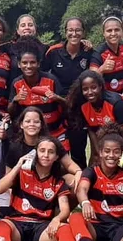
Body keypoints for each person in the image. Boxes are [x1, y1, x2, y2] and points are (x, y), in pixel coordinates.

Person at [0, 136, 73, 241]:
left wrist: (57, 219)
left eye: (51, 152)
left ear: (56, 157)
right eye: (42, 151)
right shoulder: (23, 173)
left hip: (41, 227)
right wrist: (18, 166)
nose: (46, 155)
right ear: (36, 153)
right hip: (17, 223)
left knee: (65, 228)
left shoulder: (59, 182)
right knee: (1, 224)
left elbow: (65, 209)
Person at [42, 17, 97, 167]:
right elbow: (42, 75)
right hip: (57, 108)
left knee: (78, 152)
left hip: (79, 110)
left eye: (78, 30)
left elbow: (95, 75)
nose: (74, 33)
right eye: (71, 30)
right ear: (65, 32)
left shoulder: (89, 52)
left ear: (83, 32)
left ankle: (79, 185)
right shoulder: (53, 52)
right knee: (56, 152)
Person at [67, 70, 123, 161]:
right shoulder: (84, 106)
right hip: (110, 133)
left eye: (93, 87)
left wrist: (121, 156)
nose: (90, 92)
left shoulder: (117, 104)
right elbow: (92, 131)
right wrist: (98, 154)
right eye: (85, 89)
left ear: (100, 87)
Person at [8, 40, 67, 147]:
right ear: (19, 64)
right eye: (25, 63)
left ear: (38, 63)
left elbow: (66, 105)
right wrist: (15, 100)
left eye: (32, 62)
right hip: (30, 136)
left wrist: (56, 97)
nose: (29, 66)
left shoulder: (51, 80)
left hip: (53, 132)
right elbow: (11, 113)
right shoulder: (16, 83)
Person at [5, 107, 82, 188]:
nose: (32, 124)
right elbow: (8, 175)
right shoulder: (15, 147)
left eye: (36, 122)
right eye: (28, 121)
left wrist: (78, 172)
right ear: (21, 125)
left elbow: (69, 164)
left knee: (75, 180)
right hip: (26, 187)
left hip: (52, 186)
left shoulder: (52, 143)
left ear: (41, 125)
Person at [90, 9, 123, 94]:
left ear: (121, 31)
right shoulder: (98, 53)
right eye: (109, 31)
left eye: (117, 30)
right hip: (108, 98)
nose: (113, 33)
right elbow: (90, 79)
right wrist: (101, 70)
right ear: (103, 33)